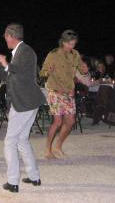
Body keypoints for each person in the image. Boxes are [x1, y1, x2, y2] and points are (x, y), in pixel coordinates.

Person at [0, 23, 46, 193]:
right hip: (26, 101)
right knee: (21, 140)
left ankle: (13, 182)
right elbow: (9, 76)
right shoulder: (20, 52)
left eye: (5, 36)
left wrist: (6, 64)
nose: (5, 39)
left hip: (24, 103)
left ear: (10, 36)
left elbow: (21, 71)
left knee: (10, 141)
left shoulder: (25, 51)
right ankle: (34, 177)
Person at [40, 29, 82, 159]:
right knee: (57, 121)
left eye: (74, 43)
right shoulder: (53, 54)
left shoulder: (75, 54)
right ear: (63, 42)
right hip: (55, 92)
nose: (71, 46)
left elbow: (80, 69)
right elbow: (42, 73)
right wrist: (48, 71)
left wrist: (84, 71)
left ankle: (58, 146)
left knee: (70, 122)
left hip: (69, 93)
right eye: (69, 43)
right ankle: (48, 149)